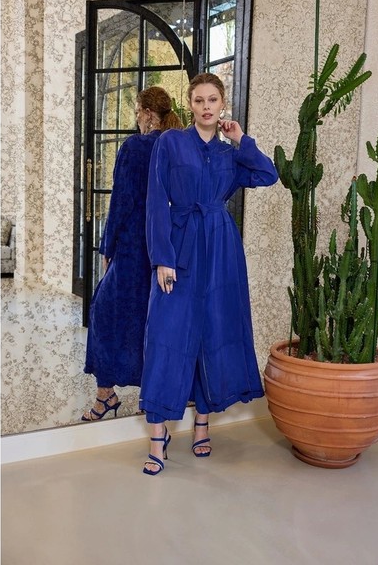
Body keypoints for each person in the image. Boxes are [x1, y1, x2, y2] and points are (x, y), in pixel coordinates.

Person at [139, 72, 279, 474]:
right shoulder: (170, 143)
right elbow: (155, 200)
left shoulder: (228, 152)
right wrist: (162, 258)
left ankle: (202, 424)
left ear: (222, 105)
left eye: (212, 100)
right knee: (166, 334)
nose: (205, 107)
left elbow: (268, 174)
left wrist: (241, 139)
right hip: (179, 246)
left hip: (220, 249)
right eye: (199, 100)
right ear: (190, 104)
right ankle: (158, 436)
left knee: (212, 331)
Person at [82, 86, 183, 421]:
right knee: (151, 321)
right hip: (168, 247)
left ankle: (105, 395)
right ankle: (148, 397)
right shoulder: (179, 144)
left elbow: (122, 201)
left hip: (134, 247)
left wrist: (108, 245)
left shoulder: (136, 147)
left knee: (103, 313)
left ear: (148, 114)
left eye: (137, 111)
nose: (136, 117)